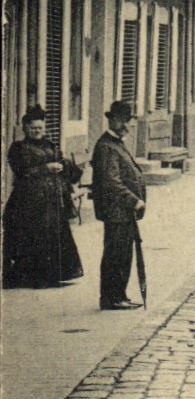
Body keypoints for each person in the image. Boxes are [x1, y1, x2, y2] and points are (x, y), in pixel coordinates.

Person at [3, 106, 84, 288]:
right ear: (25, 128)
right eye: (33, 128)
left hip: (52, 200)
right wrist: (45, 169)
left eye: (40, 128)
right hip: (29, 200)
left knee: (53, 236)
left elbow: (60, 159)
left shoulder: (49, 144)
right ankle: (33, 278)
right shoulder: (18, 148)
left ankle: (53, 276)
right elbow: (21, 171)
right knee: (34, 237)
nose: (37, 131)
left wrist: (63, 166)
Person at [92, 101, 146, 311]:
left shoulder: (116, 143)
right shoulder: (106, 146)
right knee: (116, 254)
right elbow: (111, 182)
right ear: (112, 120)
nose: (127, 126)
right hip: (116, 211)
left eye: (129, 121)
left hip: (123, 212)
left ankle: (119, 295)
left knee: (123, 254)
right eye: (123, 121)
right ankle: (111, 298)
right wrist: (133, 200)